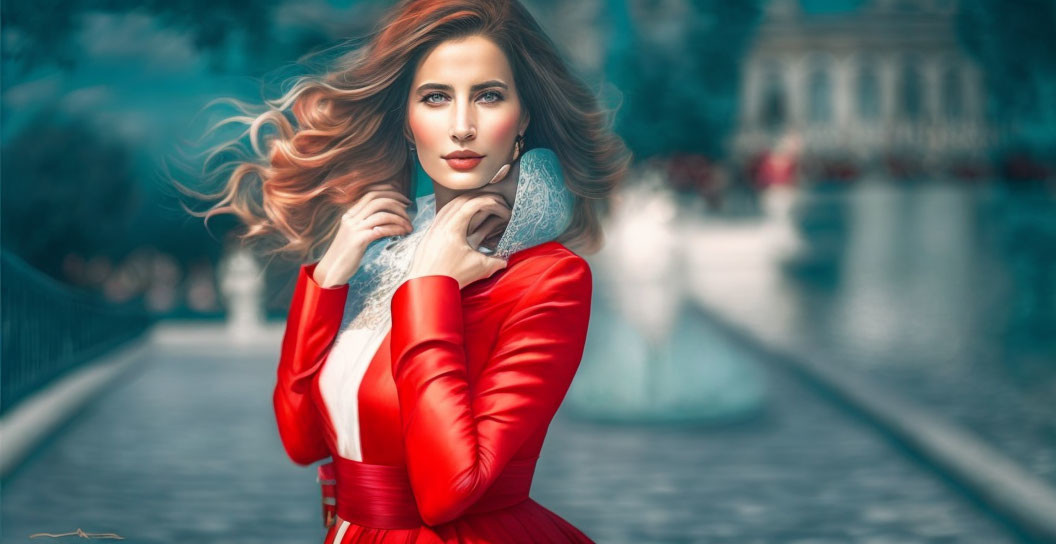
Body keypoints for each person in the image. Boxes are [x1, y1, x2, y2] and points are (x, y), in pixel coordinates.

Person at [177, 0, 630, 542]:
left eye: (488, 96)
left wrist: (430, 291)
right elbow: (303, 441)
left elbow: (448, 491)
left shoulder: (548, 279)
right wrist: (330, 277)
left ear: (523, 118)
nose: (462, 127)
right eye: (436, 98)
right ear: (408, 123)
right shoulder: (386, 255)